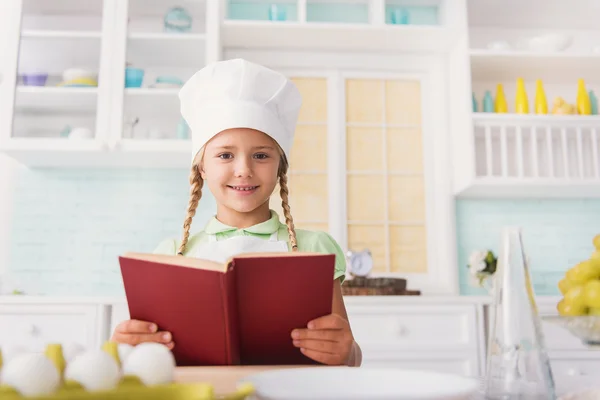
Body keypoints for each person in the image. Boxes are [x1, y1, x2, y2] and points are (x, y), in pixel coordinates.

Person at [111, 59, 362, 367]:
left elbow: (348, 353)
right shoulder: (170, 255)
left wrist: (347, 353)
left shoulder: (315, 248)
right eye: (225, 155)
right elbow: (144, 359)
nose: (243, 170)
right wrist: (125, 348)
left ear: (280, 166)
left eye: (260, 155)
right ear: (202, 167)